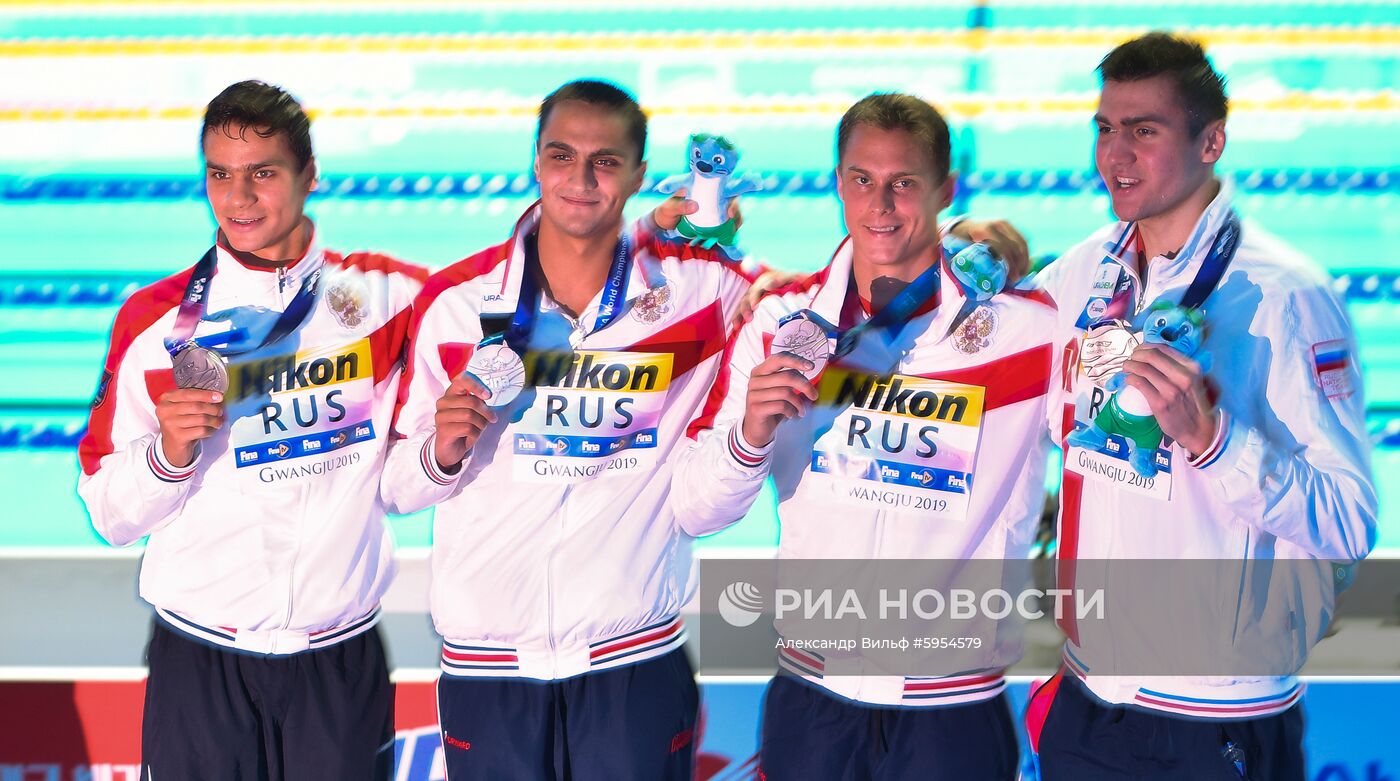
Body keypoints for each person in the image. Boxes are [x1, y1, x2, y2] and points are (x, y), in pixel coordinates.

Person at [380, 78, 765, 779]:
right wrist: (439, 450)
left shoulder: (701, 292)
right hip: (489, 670)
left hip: (634, 665)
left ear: (641, 175)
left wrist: (972, 251)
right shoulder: (459, 303)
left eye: (606, 161)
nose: (580, 179)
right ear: (535, 160)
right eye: (562, 156)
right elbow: (396, 486)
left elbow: (817, 306)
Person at [670, 92, 1058, 780]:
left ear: (947, 190)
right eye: (862, 180)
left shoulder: (1031, 327)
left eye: (904, 183)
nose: (881, 205)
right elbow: (698, 509)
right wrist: (750, 434)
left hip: (955, 711)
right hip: (812, 704)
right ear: (837, 184)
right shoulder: (780, 324)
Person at [1025, 32, 1376, 780]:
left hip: (1214, 721)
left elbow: (1348, 518)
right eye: (1105, 129)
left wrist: (1214, 438)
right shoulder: (1081, 274)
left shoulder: (1284, 296)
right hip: (1088, 702)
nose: (1114, 155)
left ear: (1211, 141)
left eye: (1143, 131)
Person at [77, 80, 426, 780]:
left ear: (310, 176)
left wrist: (641, 236)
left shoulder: (394, 299)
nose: (238, 198)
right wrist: (168, 456)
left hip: (339, 657)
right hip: (201, 662)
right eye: (220, 175)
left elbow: (523, 294)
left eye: (262, 173)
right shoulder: (155, 324)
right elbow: (110, 513)